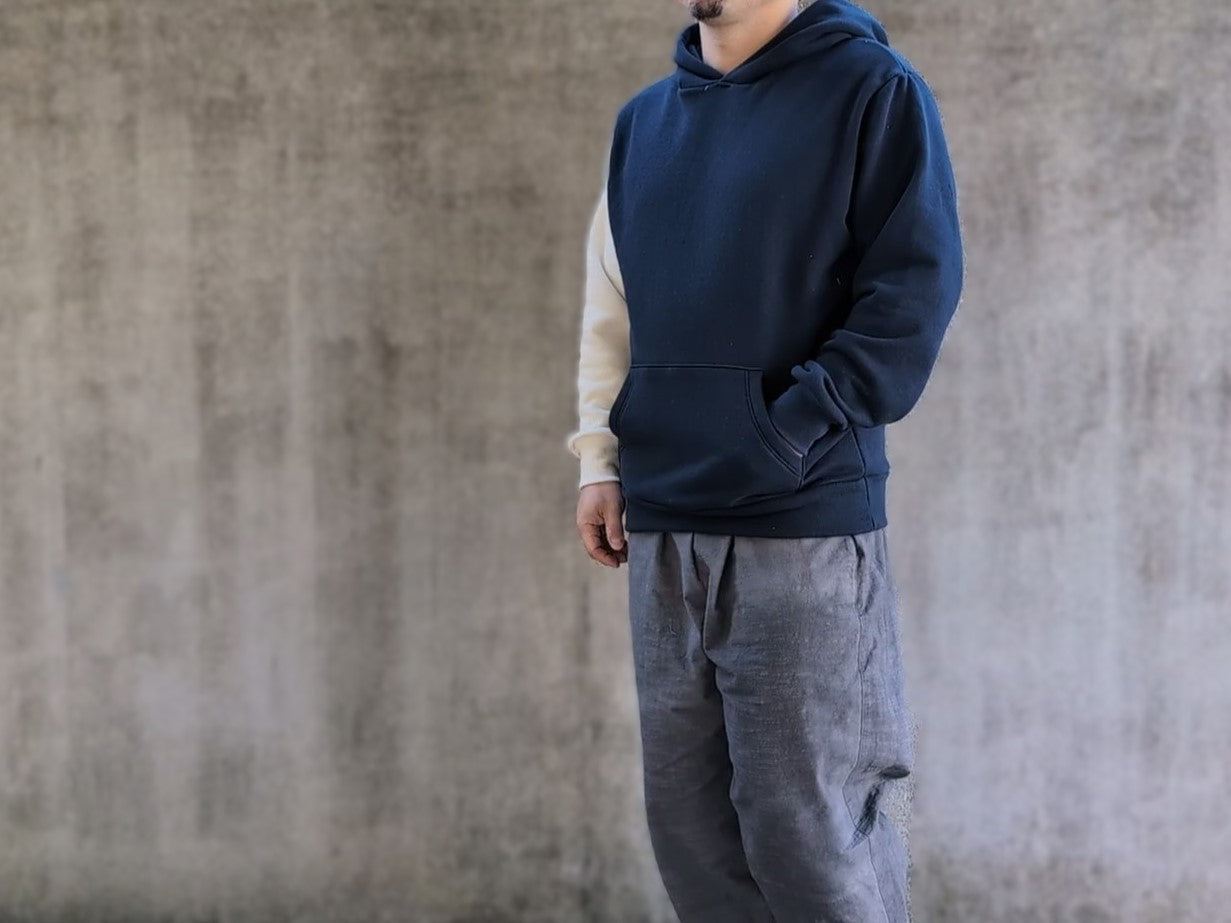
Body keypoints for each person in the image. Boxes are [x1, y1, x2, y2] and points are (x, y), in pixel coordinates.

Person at [565, 0, 964, 918]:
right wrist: (599, 459)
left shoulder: (871, 91)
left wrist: (790, 429)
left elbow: (911, 292)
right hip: (664, 530)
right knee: (694, 842)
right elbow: (610, 305)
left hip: (801, 531)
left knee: (816, 838)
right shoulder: (644, 123)